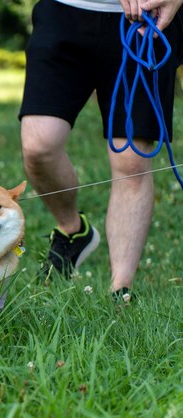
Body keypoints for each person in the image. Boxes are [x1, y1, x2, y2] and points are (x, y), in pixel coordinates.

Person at [19, 0, 183, 301]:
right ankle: (73, 230)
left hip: (148, 17)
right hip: (65, 10)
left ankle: (120, 290)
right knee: (39, 146)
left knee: (131, 160)